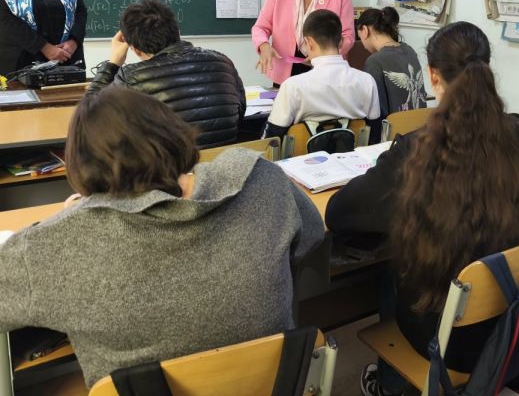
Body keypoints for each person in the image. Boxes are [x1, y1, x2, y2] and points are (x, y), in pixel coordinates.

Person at [0, 87, 324, 388]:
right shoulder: (264, 180)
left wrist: (71, 218)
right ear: (173, 131)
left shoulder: (56, 244)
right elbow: (311, 237)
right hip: (268, 387)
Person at [326, 22, 519, 396]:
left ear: (433, 76)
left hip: (447, 338)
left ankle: (390, 385)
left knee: (393, 268)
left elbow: (339, 214)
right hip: (515, 317)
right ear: (486, 68)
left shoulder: (417, 150)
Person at [87, 0, 246, 148]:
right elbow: (240, 111)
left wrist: (113, 63)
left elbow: (89, 118)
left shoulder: (130, 77)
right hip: (223, 163)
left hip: (170, 167)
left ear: (134, 48)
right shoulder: (223, 62)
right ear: (177, 31)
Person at [265, 9, 381, 140]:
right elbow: (375, 132)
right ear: (341, 41)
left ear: (309, 43)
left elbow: (271, 139)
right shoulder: (367, 81)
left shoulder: (292, 86)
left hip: (302, 153)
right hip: (354, 152)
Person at [356, 7, 427, 117]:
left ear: (365, 31)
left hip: (394, 127)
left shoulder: (374, 61)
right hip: (420, 123)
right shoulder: (410, 50)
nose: (364, 46)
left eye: (360, 37)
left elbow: (376, 113)